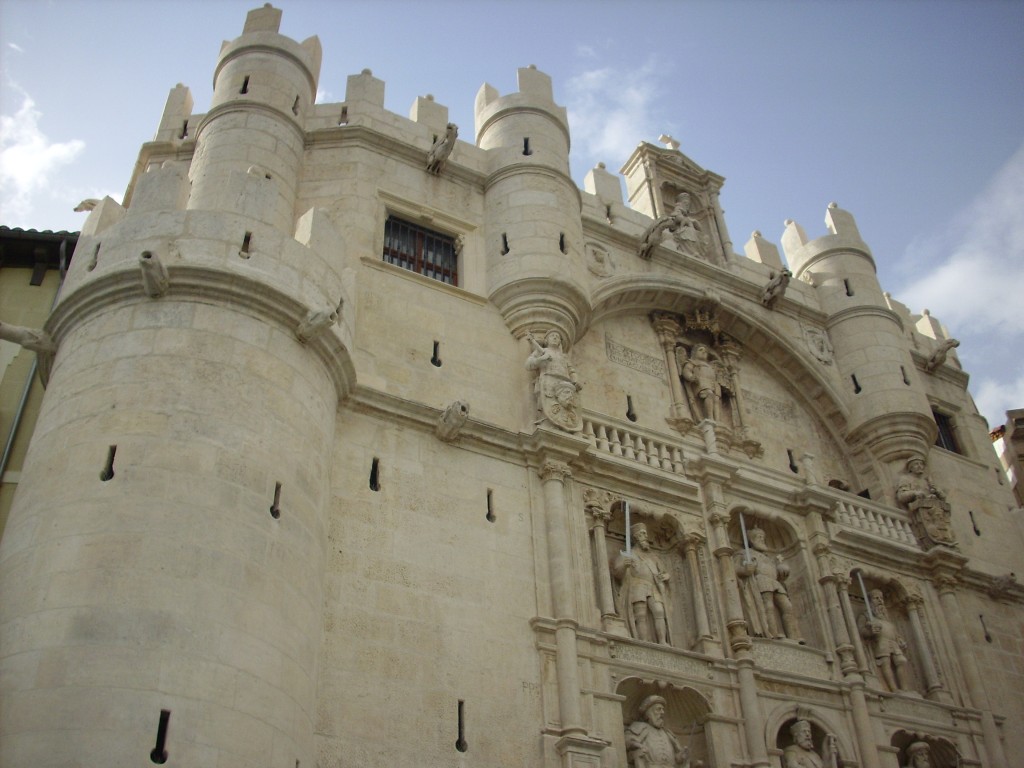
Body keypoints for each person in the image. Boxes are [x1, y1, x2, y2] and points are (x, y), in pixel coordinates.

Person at [735, 528, 802, 642]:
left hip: (775, 582)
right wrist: (745, 570)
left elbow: (774, 572)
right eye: (759, 537)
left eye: (763, 537)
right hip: (761, 581)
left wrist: (782, 574)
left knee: (787, 607)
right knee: (768, 606)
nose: (762, 539)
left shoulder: (768, 557)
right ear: (751, 540)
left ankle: (794, 636)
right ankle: (773, 634)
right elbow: (735, 568)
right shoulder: (745, 553)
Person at [613, 523, 671, 645]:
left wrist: (664, 576)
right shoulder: (628, 554)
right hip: (637, 585)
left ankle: (662, 641)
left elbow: (665, 572)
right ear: (636, 538)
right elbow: (617, 572)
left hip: (653, 586)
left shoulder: (653, 557)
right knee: (640, 614)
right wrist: (625, 565)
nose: (645, 536)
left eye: (645, 534)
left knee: (659, 611)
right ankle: (644, 642)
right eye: (642, 534)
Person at [525, 330, 582, 432]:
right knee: (548, 404)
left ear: (560, 341)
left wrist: (575, 380)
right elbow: (528, 364)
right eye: (552, 336)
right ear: (546, 340)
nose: (555, 337)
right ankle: (546, 421)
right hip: (548, 381)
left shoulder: (564, 356)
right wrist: (541, 359)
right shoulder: (541, 350)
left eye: (557, 336)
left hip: (565, 384)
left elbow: (571, 370)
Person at [859, 589, 909, 692]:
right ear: (870, 601)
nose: (880, 600)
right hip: (881, 643)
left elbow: (895, 632)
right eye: (876, 598)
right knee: (885, 662)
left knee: (901, 661)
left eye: (881, 598)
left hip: (894, 643)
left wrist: (900, 640)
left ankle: (905, 689)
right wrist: (871, 632)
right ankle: (894, 689)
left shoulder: (886, 619)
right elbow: (861, 630)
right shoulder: (866, 616)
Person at [896, 458, 954, 546]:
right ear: (910, 468)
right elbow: (901, 496)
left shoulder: (927, 481)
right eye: (916, 464)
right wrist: (915, 493)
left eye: (921, 464)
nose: (919, 466)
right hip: (921, 513)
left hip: (936, 511)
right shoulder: (906, 479)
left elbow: (943, 498)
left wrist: (937, 491)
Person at [624, 695, 690, 768]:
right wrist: (638, 745)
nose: (662, 712)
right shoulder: (640, 727)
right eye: (658, 709)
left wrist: (682, 756)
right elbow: (628, 740)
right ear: (649, 713)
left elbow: (677, 757)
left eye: (662, 709)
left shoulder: (667, 733)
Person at [679, 344, 721, 423]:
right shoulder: (692, 362)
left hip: (713, 384)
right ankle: (710, 417)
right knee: (708, 394)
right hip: (700, 383)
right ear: (694, 353)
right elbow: (686, 370)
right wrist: (691, 377)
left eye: (705, 351)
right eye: (700, 350)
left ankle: (717, 420)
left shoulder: (709, 366)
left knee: (716, 400)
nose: (704, 352)